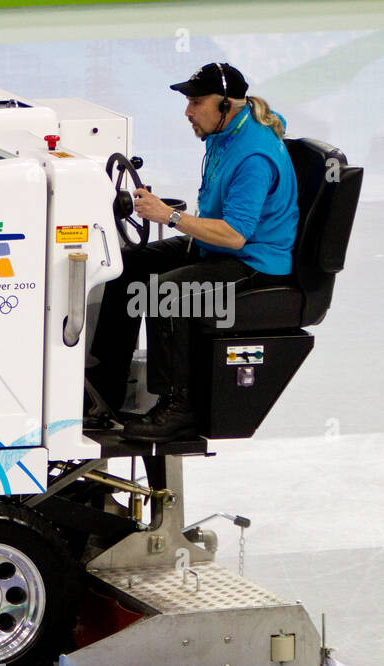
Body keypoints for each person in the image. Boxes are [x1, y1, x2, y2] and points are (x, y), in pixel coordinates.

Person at [88, 62, 299, 442]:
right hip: (216, 245)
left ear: (227, 105)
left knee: (165, 294)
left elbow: (235, 235)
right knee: (131, 265)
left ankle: (177, 409)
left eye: (196, 102)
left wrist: (169, 216)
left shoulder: (254, 156)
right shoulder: (228, 132)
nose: (188, 111)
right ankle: (104, 386)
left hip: (253, 260)